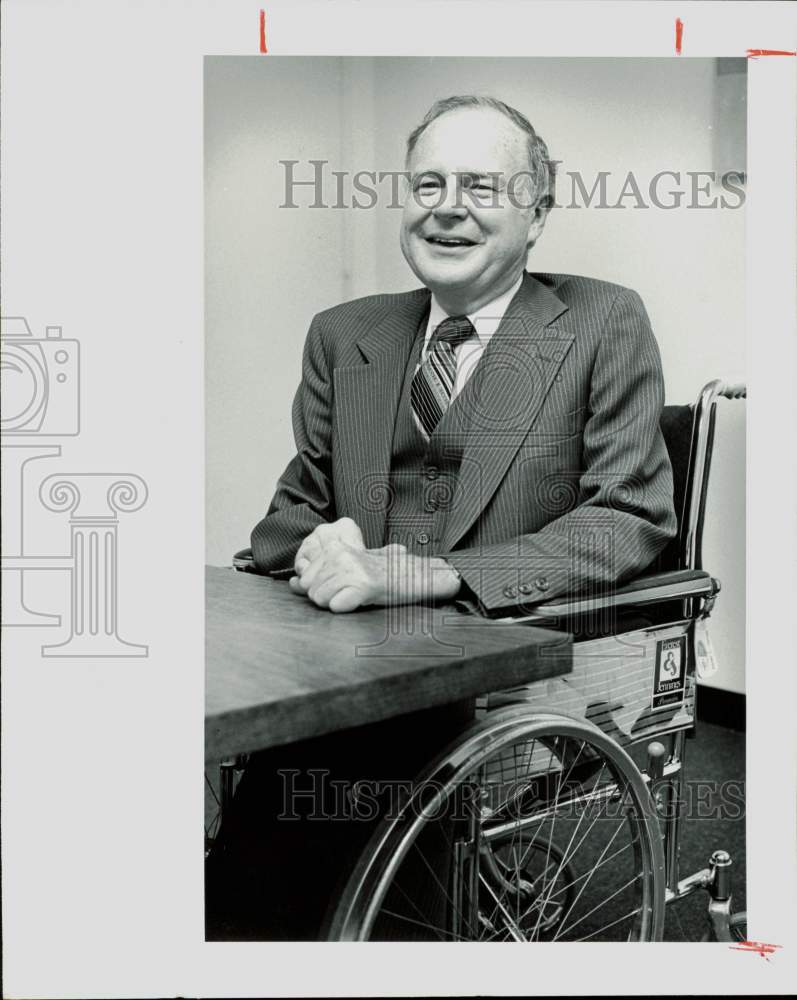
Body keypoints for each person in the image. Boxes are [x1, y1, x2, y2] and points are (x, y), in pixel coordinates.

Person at [206, 95, 676, 941]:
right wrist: (321, 541)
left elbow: (631, 516)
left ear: (536, 212)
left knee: (280, 840)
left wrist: (437, 573)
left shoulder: (602, 321)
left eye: (483, 186)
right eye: (428, 182)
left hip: (499, 654)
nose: (447, 204)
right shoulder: (346, 333)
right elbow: (284, 517)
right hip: (343, 660)